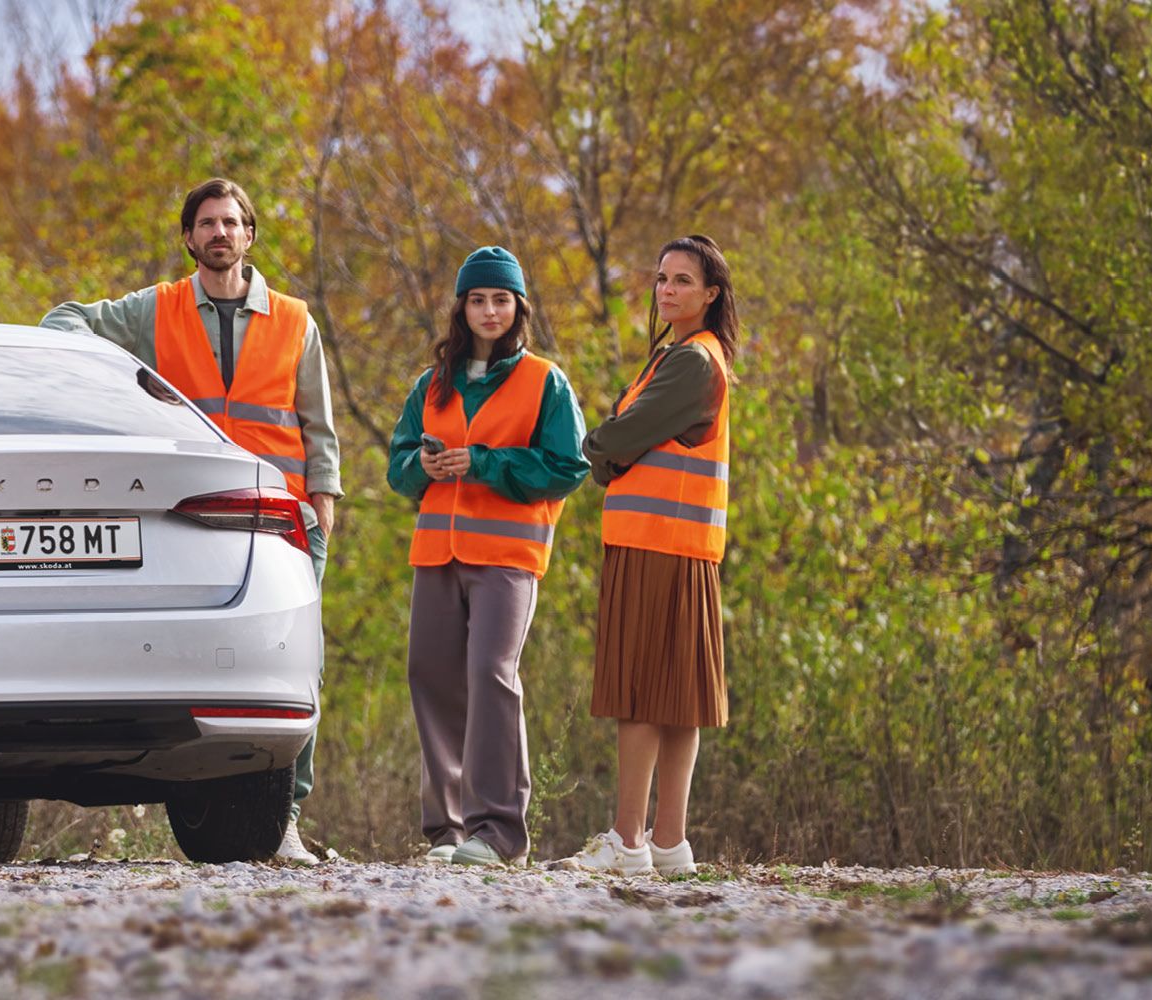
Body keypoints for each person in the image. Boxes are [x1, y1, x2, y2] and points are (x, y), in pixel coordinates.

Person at [40, 177, 343, 865]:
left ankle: (283, 819)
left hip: (279, 521)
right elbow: (65, 319)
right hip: (189, 514)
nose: (219, 233)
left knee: (296, 670)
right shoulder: (158, 309)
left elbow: (317, 425)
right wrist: (99, 385)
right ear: (188, 237)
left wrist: (324, 498)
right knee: (197, 659)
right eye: (206, 223)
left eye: (232, 222)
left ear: (250, 235)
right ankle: (209, 801)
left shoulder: (296, 320)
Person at [385, 246, 588, 867]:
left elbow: (566, 466)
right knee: (430, 676)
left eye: (501, 300)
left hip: (507, 555)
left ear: (518, 307)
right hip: (436, 553)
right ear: (462, 308)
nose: (490, 310)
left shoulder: (544, 380)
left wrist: (485, 462)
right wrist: (418, 465)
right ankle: (447, 833)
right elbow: (396, 468)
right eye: (478, 300)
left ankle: (498, 834)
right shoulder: (432, 384)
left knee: (491, 677)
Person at [557, 235, 740, 877]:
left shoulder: (693, 362)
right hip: (681, 548)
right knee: (674, 696)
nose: (667, 290)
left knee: (642, 693)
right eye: (662, 278)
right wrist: (611, 451)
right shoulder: (683, 355)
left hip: (658, 547)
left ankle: (627, 841)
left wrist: (600, 447)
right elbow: (622, 445)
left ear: (710, 294)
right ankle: (668, 844)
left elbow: (616, 438)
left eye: (683, 281)